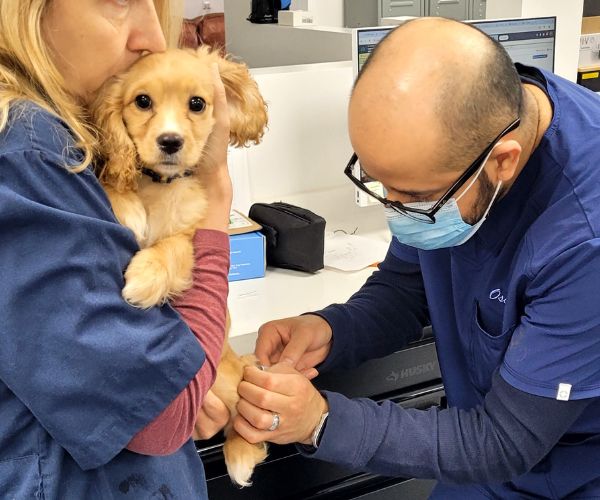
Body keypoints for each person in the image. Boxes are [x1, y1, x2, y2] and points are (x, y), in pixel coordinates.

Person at [224, 17, 600, 498]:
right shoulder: (464, 141)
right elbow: (406, 285)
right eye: (383, 186)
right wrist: (332, 329)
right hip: (481, 449)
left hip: (565, 470)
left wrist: (321, 422)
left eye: (413, 197)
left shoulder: (582, 239)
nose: (397, 212)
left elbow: (505, 441)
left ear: (503, 162)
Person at [0, 0, 232, 497]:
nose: (151, 36)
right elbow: (164, 416)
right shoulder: (28, 154)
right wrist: (215, 200)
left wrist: (185, 368)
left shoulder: (66, 139)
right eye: (119, 2)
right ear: (27, 10)